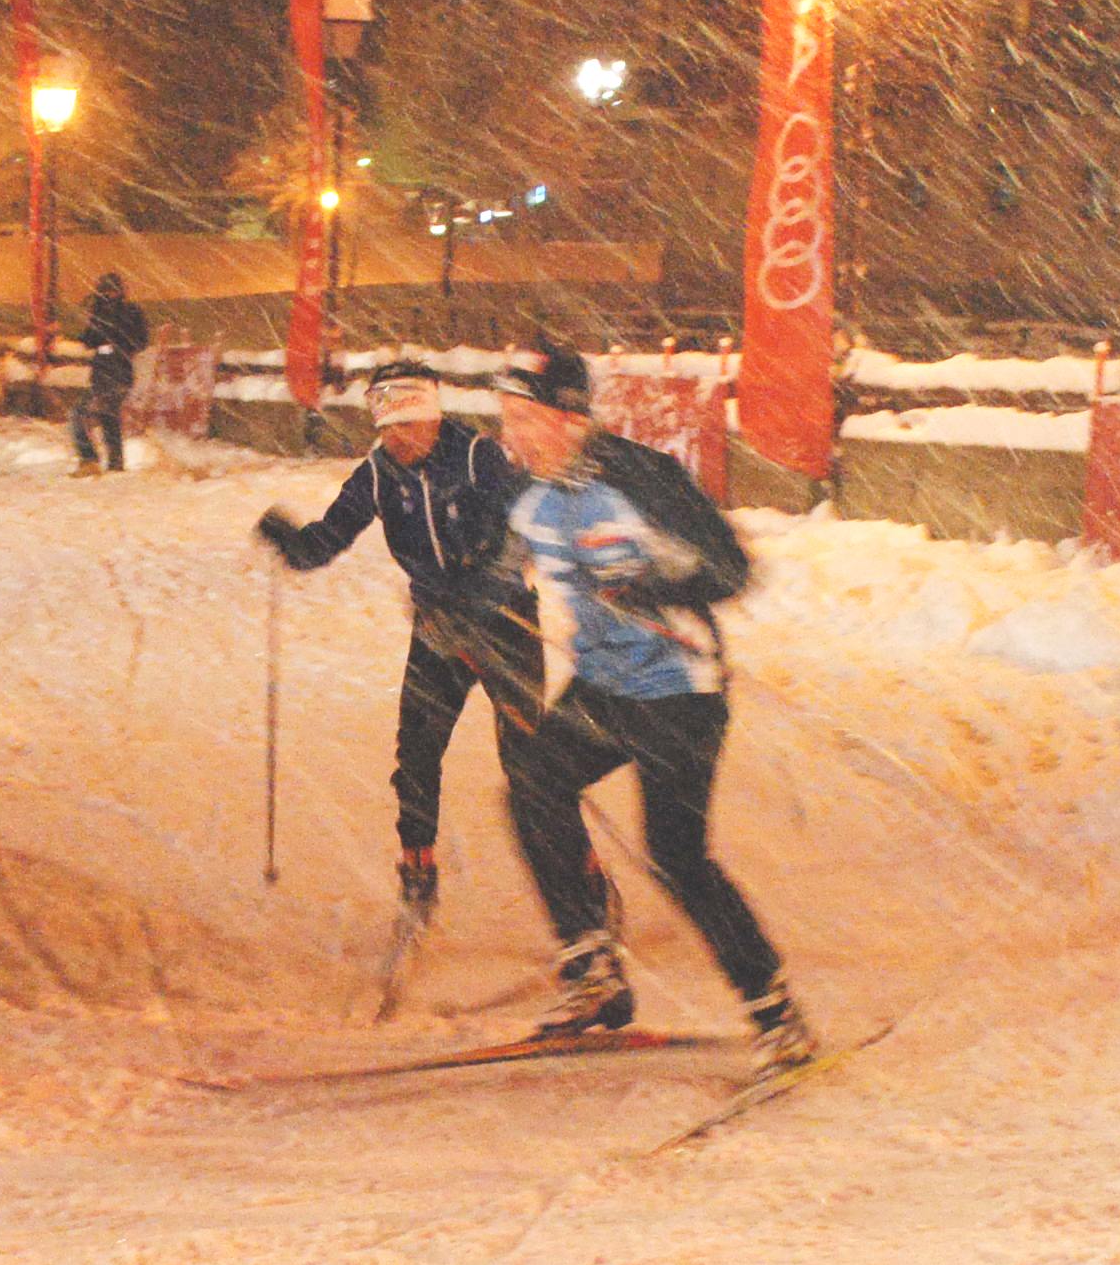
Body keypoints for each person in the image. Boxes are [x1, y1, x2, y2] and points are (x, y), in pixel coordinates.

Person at [492, 338, 813, 1069]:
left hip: (679, 691)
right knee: (534, 786)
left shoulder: (643, 480)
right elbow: (500, 571)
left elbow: (732, 568)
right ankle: (594, 973)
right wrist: (462, 612)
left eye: (525, 418)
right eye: (504, 418)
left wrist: (653, 589)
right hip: (603, 686)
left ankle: (776, 1015)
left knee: (677, 854)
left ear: (571, 419)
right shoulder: (526, 491)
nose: (512, 435)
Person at [255, 363, 537, 916]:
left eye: (407, 426)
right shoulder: (379, 475)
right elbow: (330, 538)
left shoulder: (480, 458)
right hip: (437, 631)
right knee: (416, 753)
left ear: (431, 419)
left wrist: (478, 595)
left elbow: (524, 531)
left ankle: (583, 879)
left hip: (507, 626)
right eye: (386, 428)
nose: (396, 440)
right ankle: (417, 867)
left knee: (532, 766)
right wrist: (291, 543)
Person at [71, 272, 148, 475]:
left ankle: (89, 460)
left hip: (113, 374)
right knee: (108, 417)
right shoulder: (104, 312)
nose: (109, 294)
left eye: (111, 290)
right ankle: (115, 464)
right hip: (110, 374)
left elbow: (137, 341)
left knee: (79, 414)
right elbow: (89, 339)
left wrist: (111, 340)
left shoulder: (125, 312)